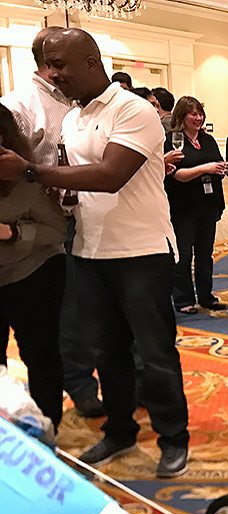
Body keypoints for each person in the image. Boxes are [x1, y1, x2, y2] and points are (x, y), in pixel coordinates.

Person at [0, 28, 189, 476]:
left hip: (141, 250)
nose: (53, 74)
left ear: (91, 62)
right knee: (108, 350)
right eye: (49, 65)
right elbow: (74, 181)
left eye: (61, 65)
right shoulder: (72, 118)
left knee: (155, 351)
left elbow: (109, 176)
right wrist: (58, 196)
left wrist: (28, 170)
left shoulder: (134, 109)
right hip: (89, 249)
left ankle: (173, 437)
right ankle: (120, 431)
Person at [0, 26, 105, 419]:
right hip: (41, 222)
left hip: (82, 216)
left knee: (90, 310)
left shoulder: (79, 104)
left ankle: (98, 382)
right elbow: (16, 168)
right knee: (61, 320)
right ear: (49, 63)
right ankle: (75, 386)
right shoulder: (19, 105)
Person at [0, 104, 68, 429]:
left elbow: (58, 231)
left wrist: (13, 232)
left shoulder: (26, 178)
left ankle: (47, 428)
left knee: (40, 358)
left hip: (34, 273)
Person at [164, 95, 227, 314]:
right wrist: (206, 168)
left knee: (205, 253)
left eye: (200, 114)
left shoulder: (207, 139)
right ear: (182, 115)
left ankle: (206, 295)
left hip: (207, 203)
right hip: (183, 205)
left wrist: (219, 168)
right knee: (183, 253)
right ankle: (183, 299)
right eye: (193, 114)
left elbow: (215, 162)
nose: (198, 118)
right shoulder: (173, 140)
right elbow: (176, 175)